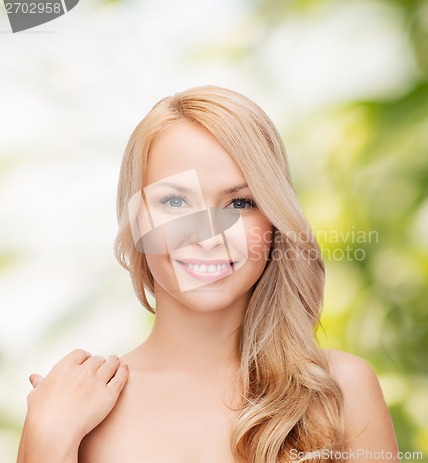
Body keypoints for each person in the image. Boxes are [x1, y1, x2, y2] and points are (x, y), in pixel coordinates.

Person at [17, 86, 399, 463]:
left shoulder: (342, 390)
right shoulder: (76, 410)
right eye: (176, 201)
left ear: (273, 222)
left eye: (239, 203)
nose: (208, 236)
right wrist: (47, 442)